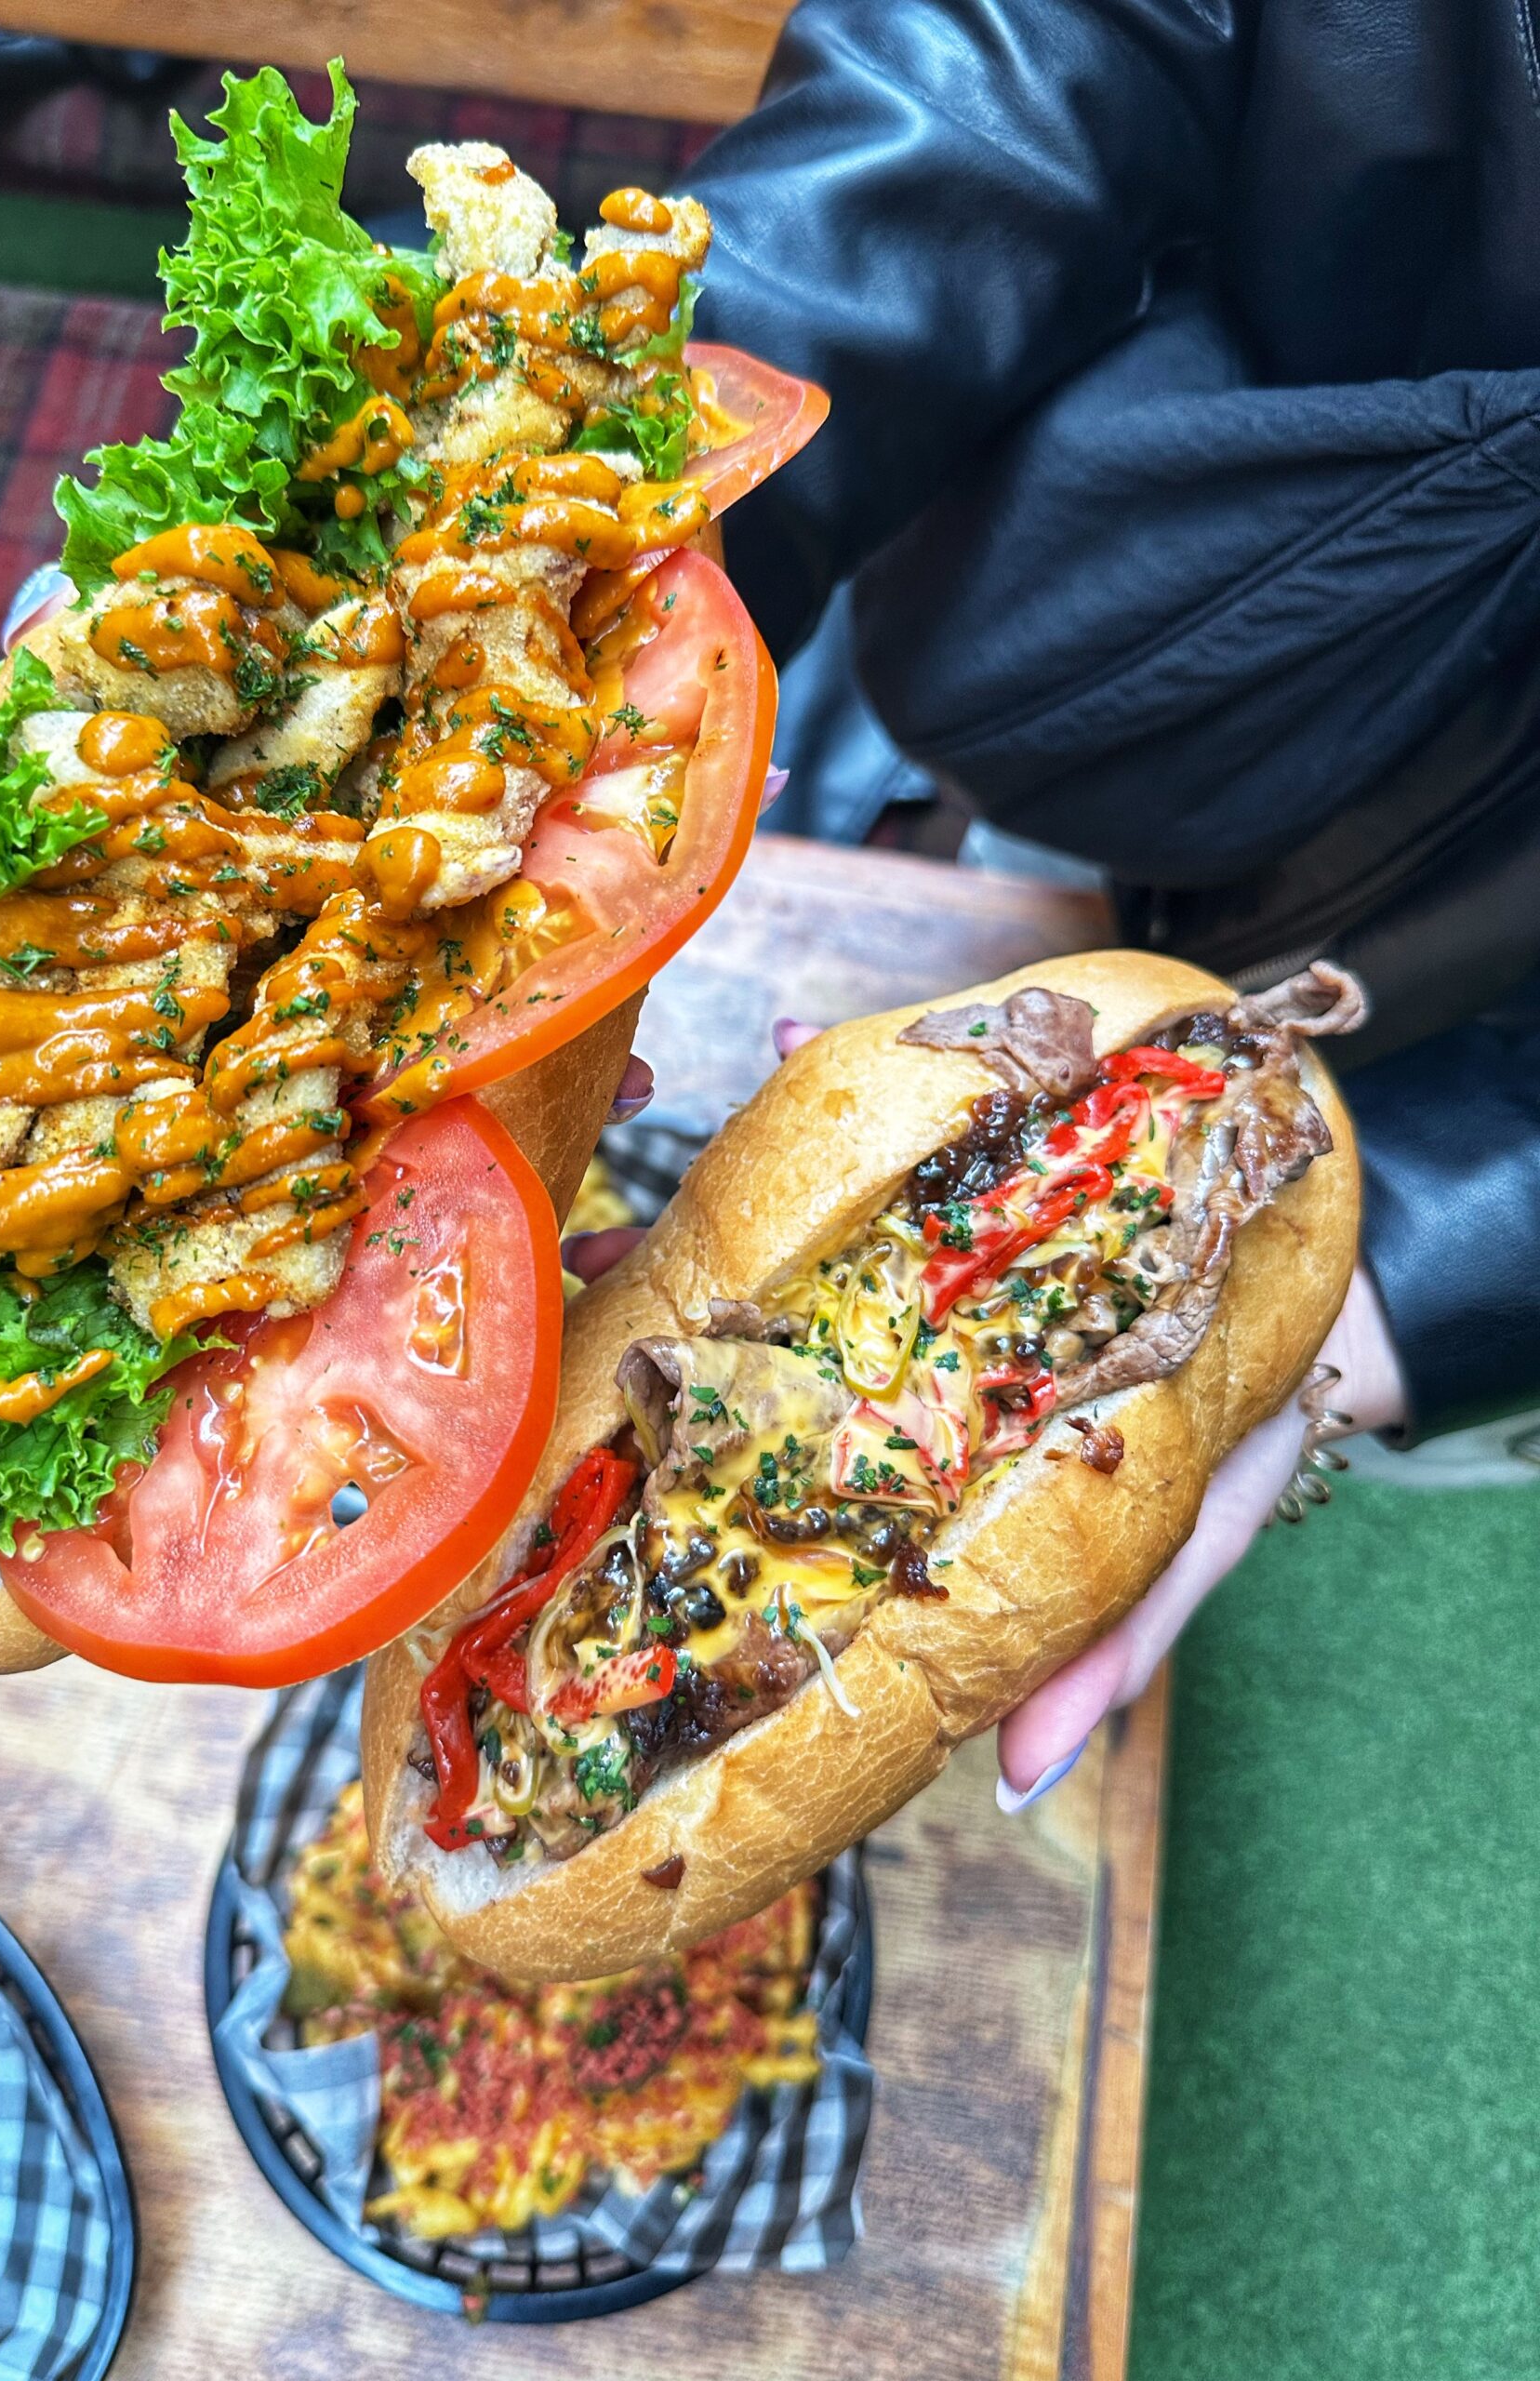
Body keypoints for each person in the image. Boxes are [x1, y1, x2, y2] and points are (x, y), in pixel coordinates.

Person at [580, 0, 1540, 1805]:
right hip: (1199, 596)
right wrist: (605, 550)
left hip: (1493, 992)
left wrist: (1426, 1258)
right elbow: (1045, 42)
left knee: (1297, 1426)